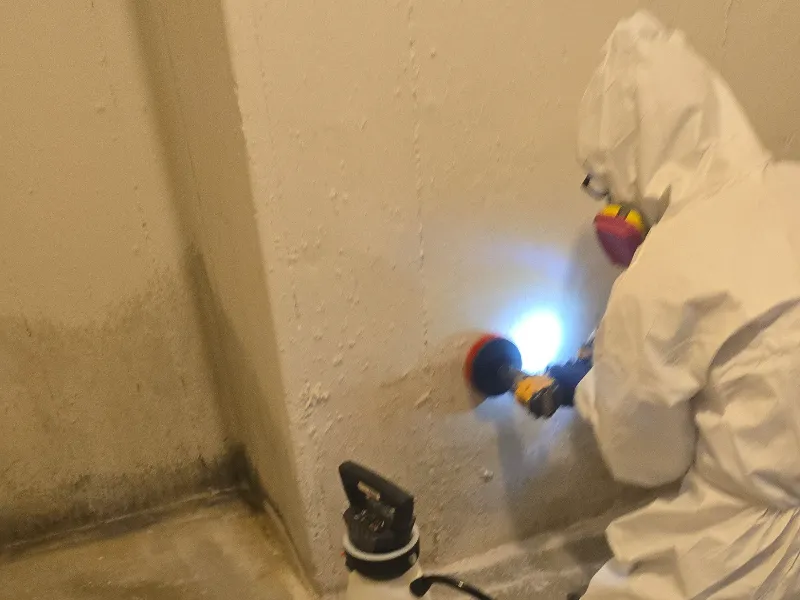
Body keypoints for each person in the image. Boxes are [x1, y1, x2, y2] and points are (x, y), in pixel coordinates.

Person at [538, 11, 800, 599]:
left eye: (604, 184)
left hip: (754, 553)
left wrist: (596, 387)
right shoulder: (792, 184)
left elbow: (648, 462)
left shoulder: (660, 276)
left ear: (629, 163)